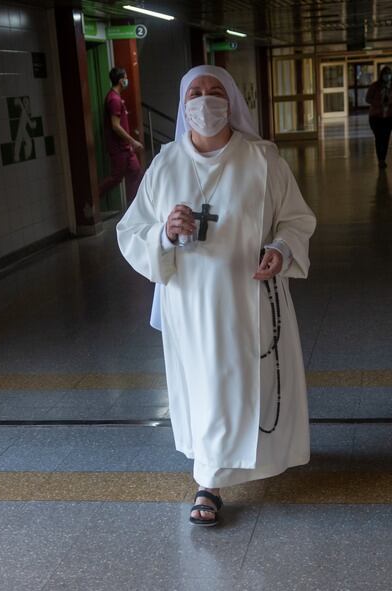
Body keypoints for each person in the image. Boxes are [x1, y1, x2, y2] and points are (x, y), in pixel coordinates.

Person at [117, 66, 317, 527]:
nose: (205, 101)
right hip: (192, 305)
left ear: (232, 102)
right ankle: (207, 481)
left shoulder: (263, 159)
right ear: (183, 102)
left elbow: (296, 219)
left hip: (252, 294)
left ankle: (264, 457)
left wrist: (280, 250)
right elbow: (131, 230)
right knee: (206, 385)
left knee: (257, 380)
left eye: (214, 92)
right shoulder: (165, 163)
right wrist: (164, 233)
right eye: (195, 92)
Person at [99, 67, 145, 203]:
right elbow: (115, 126)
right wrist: (133, 141)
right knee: (116, 178)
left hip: (125, 148)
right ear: (120, 81)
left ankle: (134, 206)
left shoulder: (116, 98)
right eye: (125, 78)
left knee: (136, 172)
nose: (127, 80)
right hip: (119, 148)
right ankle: (93, 199)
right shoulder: (114, 100)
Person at [366, 66, 392, 169]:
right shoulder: (375, 86)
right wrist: (378, 103)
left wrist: (391, 102)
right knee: (379, 138)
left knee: (385, 139)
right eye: (385, 74)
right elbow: (367, 99)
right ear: (381, 75)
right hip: (376, 117)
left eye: (389, 74)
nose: (387, 76)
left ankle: (383, 159)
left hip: (389, 117)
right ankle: (380, 159)